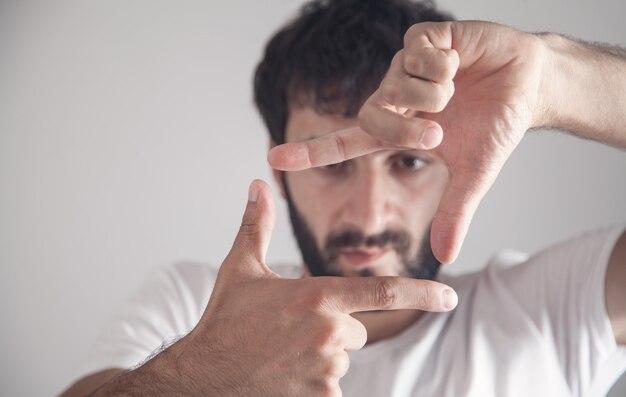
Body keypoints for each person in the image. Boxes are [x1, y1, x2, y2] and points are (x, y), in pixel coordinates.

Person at [61, 0, 626, 396]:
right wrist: (204, 374)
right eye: (332, 163)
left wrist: (553, 78)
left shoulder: (550, 313)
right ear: (280, 163)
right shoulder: (191, 313)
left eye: (408, 161)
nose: (369, 212)